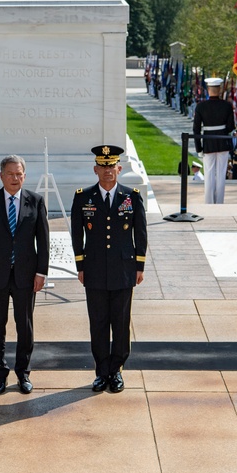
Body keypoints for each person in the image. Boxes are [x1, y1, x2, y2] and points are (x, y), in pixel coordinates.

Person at [71, 145, 147, 394]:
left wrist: (139, 265)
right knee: (99, 322)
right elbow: (76, 234)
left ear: (119, 168)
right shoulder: (83, 197)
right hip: (93, 269)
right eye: (103, 167)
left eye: (111, 167)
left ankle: (117, 371)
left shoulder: (132, 197)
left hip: (124, 270)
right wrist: (80, 265)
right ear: (96, 169)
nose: (107, 171)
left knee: (121, 321)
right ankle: (101, 371)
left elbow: (141, 233)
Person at [0, 155, 49, 395]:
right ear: (1, 176)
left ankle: (23, 373)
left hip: (26, 275)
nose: (15, 178)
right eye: (11, 174)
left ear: (24, 176)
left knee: (25, 326)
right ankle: (0, 373)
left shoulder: (36, 201)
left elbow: (44, 240)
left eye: (19, 174)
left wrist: (41, 272)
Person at [191, 76, 235, 204]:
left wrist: (198, 148)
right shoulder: (227, 106)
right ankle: (219, 202)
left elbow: (196, 129)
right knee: (221, 174)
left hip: (208, 141)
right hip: (222, 141)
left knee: (209, 174)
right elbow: (231, 126)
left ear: (208, 90)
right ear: (219, 89)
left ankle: (209, 202)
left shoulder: (201, 106)